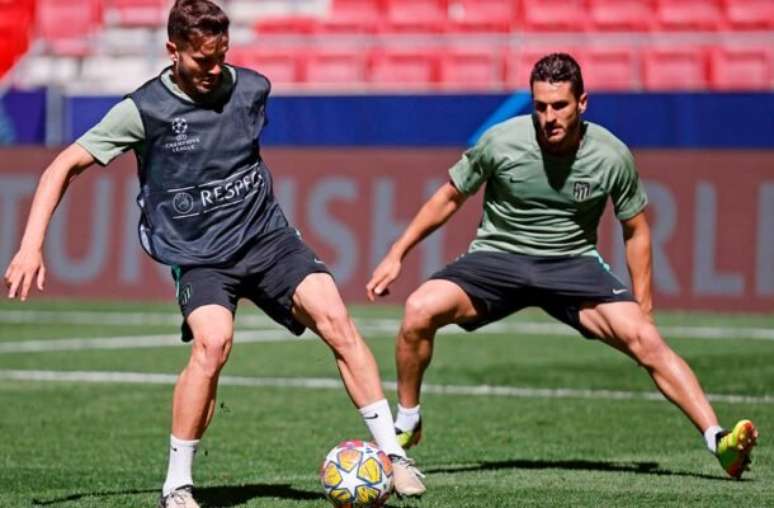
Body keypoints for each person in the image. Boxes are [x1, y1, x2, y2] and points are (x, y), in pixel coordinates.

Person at [3, 1, 425, 506]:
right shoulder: (143, 111)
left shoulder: (251, 89)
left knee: (336, 317)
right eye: (202, 60)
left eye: (221, 55)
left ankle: (394, 457)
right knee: (212, 344)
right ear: (172, 50)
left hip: (267, 240)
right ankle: (177, 485)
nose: (213, 69)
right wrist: (31, 245)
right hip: (200, 256)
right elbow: (63, 166)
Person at [367, 53, 757, 480]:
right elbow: (448, 197)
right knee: (418, 311)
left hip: (572, 265)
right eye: (540, 106)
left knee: (645, 339)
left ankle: (719, 441)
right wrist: (397, 253)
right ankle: (408, 420)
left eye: (560, 106)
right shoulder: (500, 142)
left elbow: (636, 229)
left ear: (582, 103)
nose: (549, 116)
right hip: (498, 258)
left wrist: (643, 305)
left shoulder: (612, 155)